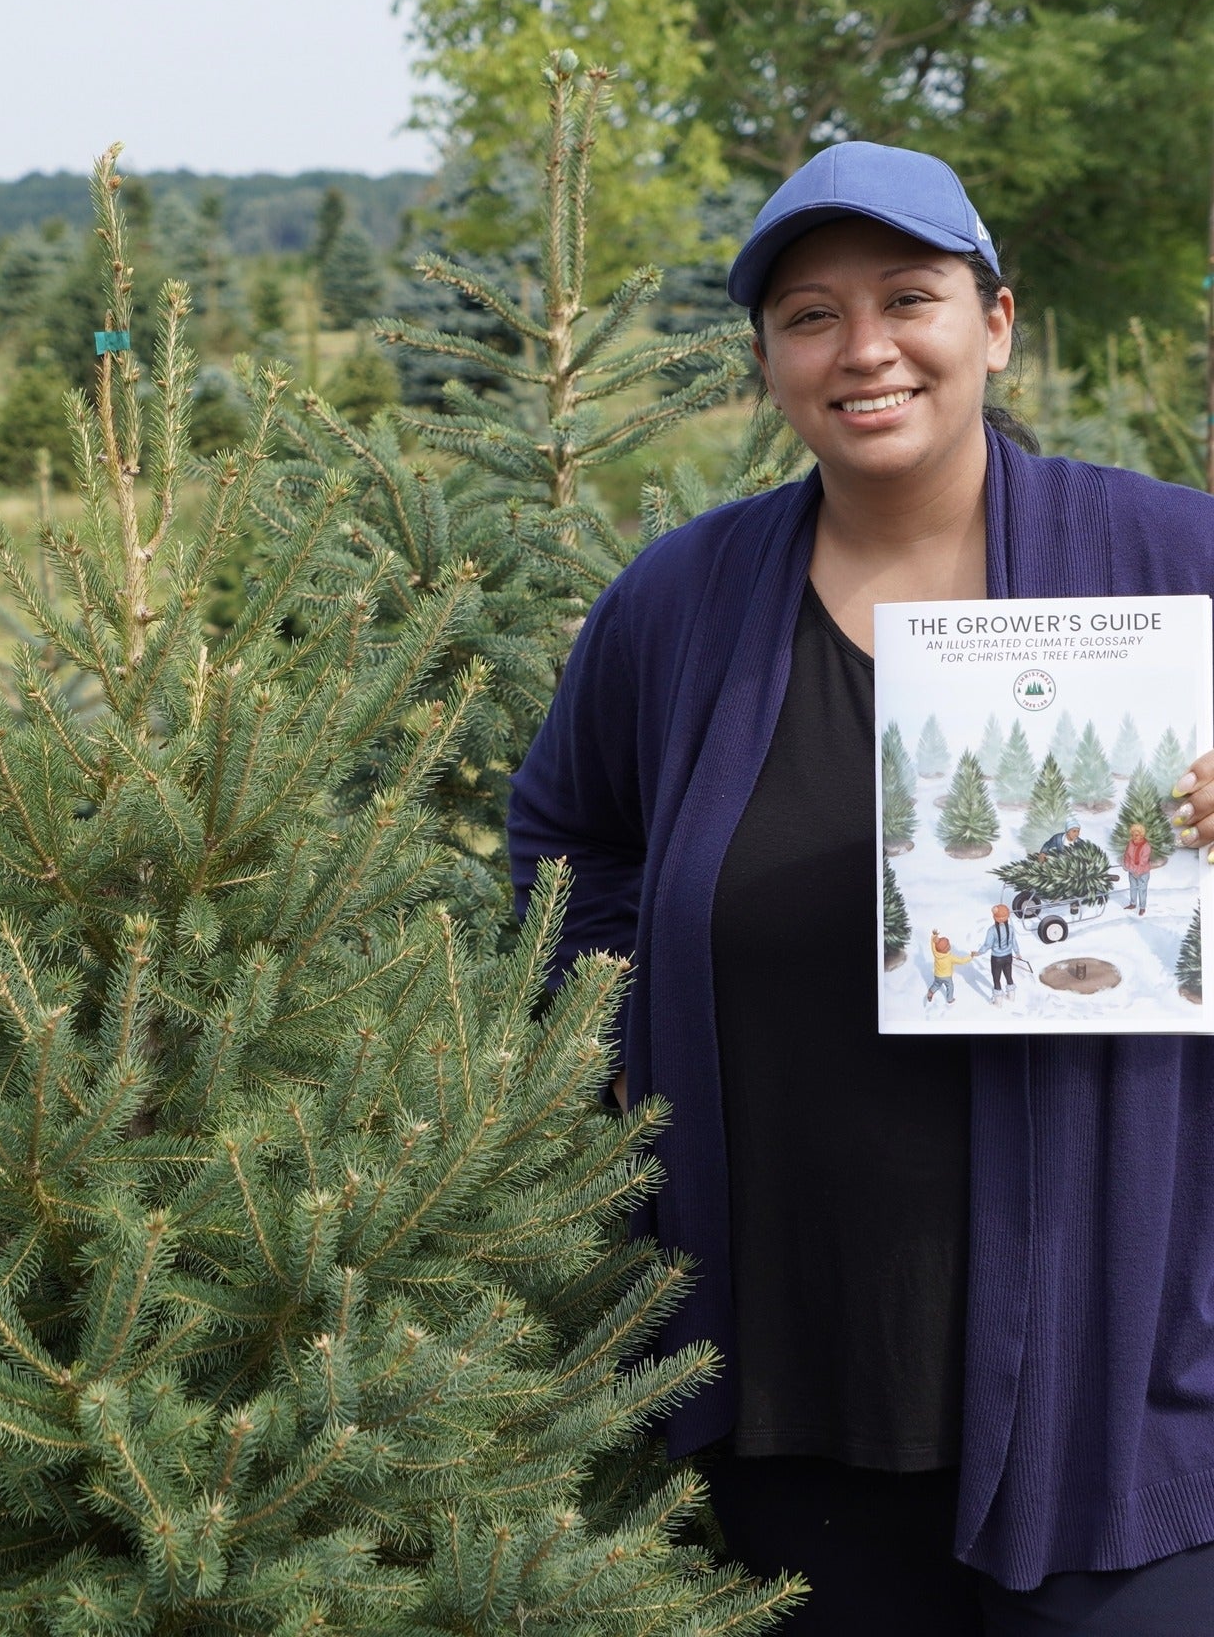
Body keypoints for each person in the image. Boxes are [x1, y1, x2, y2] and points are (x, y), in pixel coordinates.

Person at [509, 140, 1214, 1633]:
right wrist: (632, 1034)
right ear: (768, 359)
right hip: (790, 1376)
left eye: (909, 296)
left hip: (1120, 1373)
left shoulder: (1170, 562)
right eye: (811, 315)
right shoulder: (682, 602)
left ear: (996, 323)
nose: (865, 347)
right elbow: (566, 849)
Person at [978, 906, 1018, 998]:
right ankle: (1011, 997)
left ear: (994, 917)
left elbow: (987, 945)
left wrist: (979, 952)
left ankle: (998, 1002)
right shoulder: (1011, 928)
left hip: (997, 958)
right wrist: (1017, 953)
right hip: (1008, 957)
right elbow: (1014, 942)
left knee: (997, 979)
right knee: (1009, 976)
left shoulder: (991, 930)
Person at [927, 931, 975, 1007]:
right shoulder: (950, 957)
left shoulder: (936, 953)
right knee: (950, 987)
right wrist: (970, 956)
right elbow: (961, 961)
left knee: (936, 984)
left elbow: (933, 945)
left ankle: (930, 992)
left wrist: (934, 937)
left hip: (937, 975)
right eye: (948, 946)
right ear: (947, 949)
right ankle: (950, 999)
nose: (949, 946)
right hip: (947, 977)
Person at [1122, 825, 1152, 915]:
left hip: (1142, 872)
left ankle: (1142, 907)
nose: (1134, 837)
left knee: (1142, 889)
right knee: (1133, 888)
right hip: (1132, 871)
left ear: (1142, 835)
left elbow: (1143, 861)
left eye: (1137, 835)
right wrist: (1127, 866)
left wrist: (1137, 872)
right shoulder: (1130, 843)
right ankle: (1133, 904)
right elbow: (1126, 855)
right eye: (1133, 835)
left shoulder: (1146, 846)